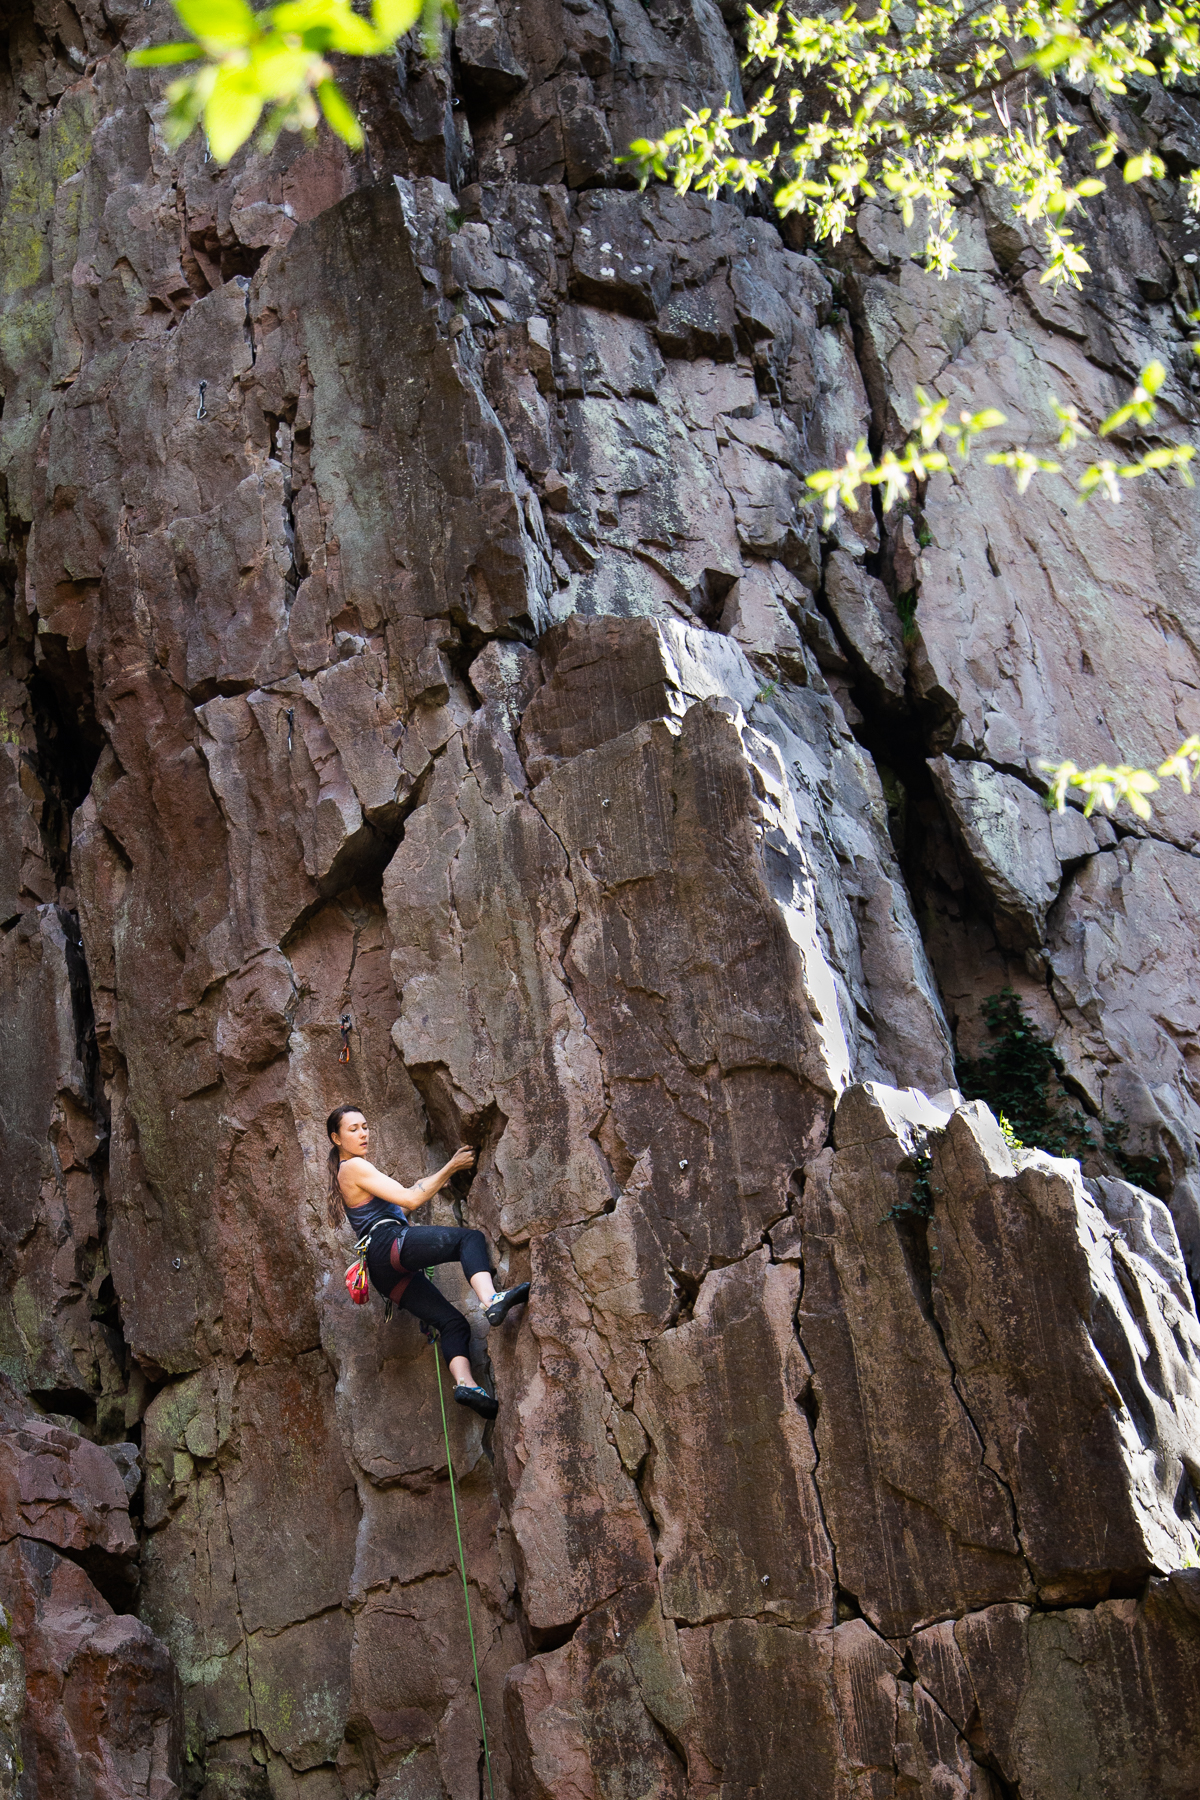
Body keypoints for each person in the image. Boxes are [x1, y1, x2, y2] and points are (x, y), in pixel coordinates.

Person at [326, 1105, 528, 1419]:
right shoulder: (352, 1167)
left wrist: (431, 1182)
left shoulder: (351, 1172)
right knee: (468, 1240)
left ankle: (466, 1385)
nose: (363, 1133)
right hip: (386, 1244)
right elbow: (410, 1199)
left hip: (382, 1269)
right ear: (336, 1138)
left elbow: (400, 1207)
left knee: (451, 1323)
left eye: (365, 1126)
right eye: (353, 1129)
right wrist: (451, 1167)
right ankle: (492, 1301)